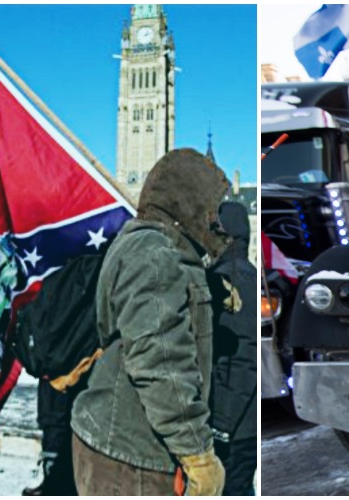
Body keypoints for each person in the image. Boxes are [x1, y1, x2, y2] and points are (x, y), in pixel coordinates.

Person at [70, 149, 229, 496]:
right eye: (211, 208)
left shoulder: (146, 242)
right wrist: (196, 452)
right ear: (188, 203)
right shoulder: (154, 253)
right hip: (134, 457)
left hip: (122, 447)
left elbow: (152, 308)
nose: (216, 221)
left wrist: (210, 290)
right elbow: (160, 359)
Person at [208, 201, 258, 496]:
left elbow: (243, 357)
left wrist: (222, 424)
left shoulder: (234, 279)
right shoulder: (229, 273)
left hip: (235, 428)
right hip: (232, 423)